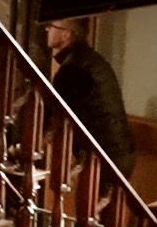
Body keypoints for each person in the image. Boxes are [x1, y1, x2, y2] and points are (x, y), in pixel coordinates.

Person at [39, 10, 132, 166]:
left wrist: (27, 147)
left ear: (66, 35)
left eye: (52, 26)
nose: (46, 29)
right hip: (117, 153)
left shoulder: (74, 68)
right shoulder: (87, 59)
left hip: (106, 157)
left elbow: (54, 114)